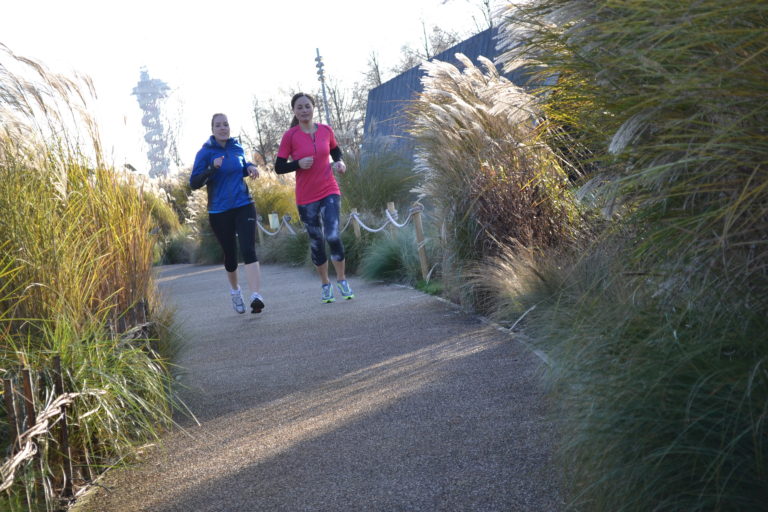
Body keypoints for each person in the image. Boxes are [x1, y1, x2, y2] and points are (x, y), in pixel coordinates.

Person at [274, 92, 354, 303]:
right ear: (294, 111)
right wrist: (297, 164)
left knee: (333, 236)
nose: (304, 110)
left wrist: (340, 163)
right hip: (306, 196)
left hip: (329, 189)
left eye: (307, 106)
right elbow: (278, 167)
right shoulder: (290, 136)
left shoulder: (326, 130)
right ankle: (325, 284)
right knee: (317, 241)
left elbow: (336, 151)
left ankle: (342, 279)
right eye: (299, 107)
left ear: (313, 107)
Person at [190, 113, 265, 314]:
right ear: (212, 129)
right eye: (218, 125)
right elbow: (194, 183)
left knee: (248, 249)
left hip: (243, 204)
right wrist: (210, 168)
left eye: (226, 124)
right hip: (219, 210)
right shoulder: (204, 153)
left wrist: (250, 167)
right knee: (230, 255)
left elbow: (240, 167)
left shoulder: (237, 147)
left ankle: (256, 296)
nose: (223, 128)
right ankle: (235, 291)